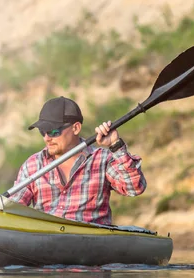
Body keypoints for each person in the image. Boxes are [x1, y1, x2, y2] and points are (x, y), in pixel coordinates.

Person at [9, 96, 146, 225]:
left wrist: (115, 144)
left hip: (89, 242)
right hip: (46, 241)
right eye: (42, 132)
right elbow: (12, 207)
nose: (46, 138)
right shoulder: (33, 164)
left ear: (75, 128)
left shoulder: (102, 159)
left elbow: (134, 188)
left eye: (53, 132)